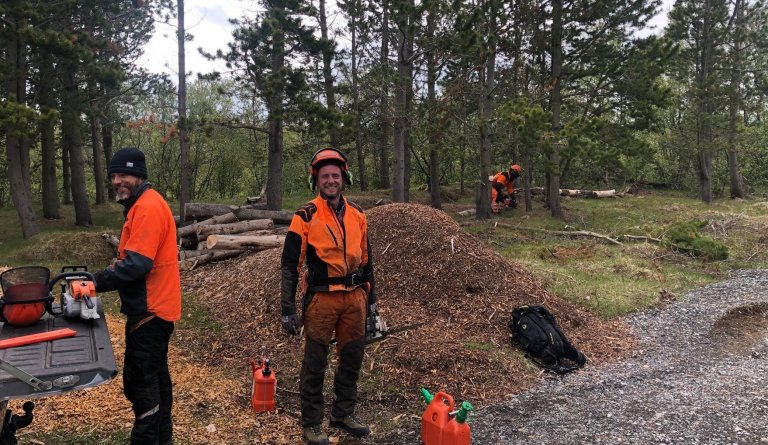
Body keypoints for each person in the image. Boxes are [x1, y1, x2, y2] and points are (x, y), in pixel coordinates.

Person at [280, 147, 377, 445]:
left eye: (335, 175)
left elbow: (367, 260)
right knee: (315, 361)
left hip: (355, 297)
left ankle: (342, 413)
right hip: (322, 298)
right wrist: (287, 308)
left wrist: (373, 303)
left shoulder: (359, 215)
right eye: (325, 176)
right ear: (316, 180)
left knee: (351, 358)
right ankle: (311, 422)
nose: (331, 180)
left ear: (343, 178)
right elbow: (289, 264)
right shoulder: (305, 215)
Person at [93, 147, 181, 445]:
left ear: (140, 176)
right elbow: (133, 257)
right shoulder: (142, 204)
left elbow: (137, 264)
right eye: (114, 175)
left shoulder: (147, 207)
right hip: (155, 308)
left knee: (141, 384)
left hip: (151, 311)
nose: (118, 180)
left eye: (125, 175)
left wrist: (93, 283)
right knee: (156, 380)